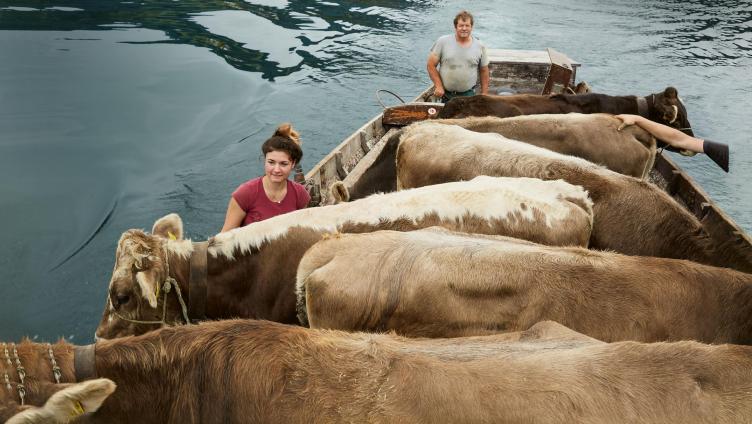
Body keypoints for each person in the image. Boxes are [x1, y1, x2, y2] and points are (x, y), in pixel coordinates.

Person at [221, 123, 311, 232]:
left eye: (283, 164)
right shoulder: (244, 194)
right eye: (271, 162)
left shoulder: (300, 194)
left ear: (293, 164)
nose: (276, 170)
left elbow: (302, 233)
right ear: (264, 160)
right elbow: (225, 238)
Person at [615, 114, 729, 172]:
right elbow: (680, 140)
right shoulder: (722, 151)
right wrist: (638, 119)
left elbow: (680, 139)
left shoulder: (723, 152)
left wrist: (638, 119)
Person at [427, 10, 490, 103]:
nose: (464, 28)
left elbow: (484, 70)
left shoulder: (480, 46)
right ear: (455, 27)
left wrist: (484, 94)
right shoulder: (442, 42)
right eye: (461, 25)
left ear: (471, 27)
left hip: (468, 95)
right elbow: (430, 65)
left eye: (467, 25)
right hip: (445, 95)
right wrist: (438, 86)